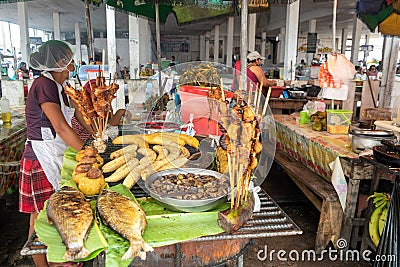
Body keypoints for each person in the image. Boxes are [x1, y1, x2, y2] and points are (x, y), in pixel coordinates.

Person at [18, 40, 85, 267]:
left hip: (53, 154)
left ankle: (55, 262)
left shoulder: (59, 88)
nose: (73, 63)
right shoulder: (44, 84)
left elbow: (76, 118)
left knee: (51, 216)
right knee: (41, 220)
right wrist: (86, 152)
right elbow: (61, 127)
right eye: (70, 59)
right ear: (59, 62)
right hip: (40, 158)